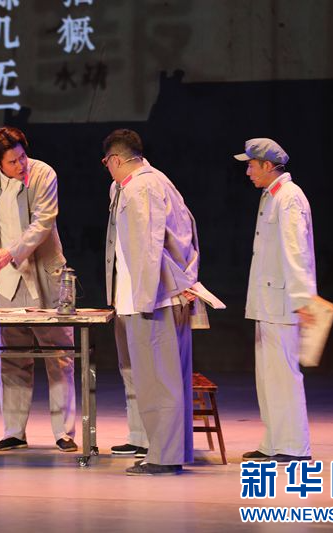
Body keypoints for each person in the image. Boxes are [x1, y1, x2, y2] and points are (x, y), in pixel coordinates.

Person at [0, 126, 77, 452]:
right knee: (13, 356)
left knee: (59, 355)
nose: (21, 164)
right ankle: (14, 431)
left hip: (42, 275)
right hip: (7, 280)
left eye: (22, 156)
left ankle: (63, 432)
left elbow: (44, 221)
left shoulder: (43, 174)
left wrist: (12, 251)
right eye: (12, 162)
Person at [101, 129, 202, 475]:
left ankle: (164, 456)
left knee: (159, 381)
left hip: (153, 299)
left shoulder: (142, 187)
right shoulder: (153, 181)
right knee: (161, 380)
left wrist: (145, 300)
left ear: (115, 160)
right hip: (154, 296)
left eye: (106, 163)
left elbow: (148, 245)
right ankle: (168, 451)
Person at [234, 138, 315, 463]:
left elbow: (297, 251)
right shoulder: (272, 195)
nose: (248, 172)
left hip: (284, 302)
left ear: (268, 166)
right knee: (268, 377)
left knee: (284, 376)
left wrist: (303, 299)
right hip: (268, 301)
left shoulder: (289, 198)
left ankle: (294, 446)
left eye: (252, 165)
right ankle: (273, 443)